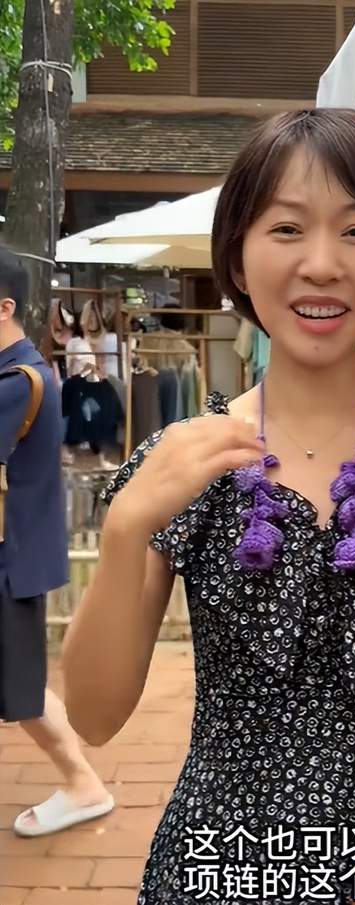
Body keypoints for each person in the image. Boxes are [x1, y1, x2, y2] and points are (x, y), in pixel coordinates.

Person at [62, 109, 355, 905]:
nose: (321, 264)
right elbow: (94, 715)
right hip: (216, 865)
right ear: (238, 260)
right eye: (286, 228)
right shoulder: (187, 459)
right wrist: (124, 529)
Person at [0, 247, 113, 836]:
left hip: (9, 559)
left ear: (4, 308)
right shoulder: (25, 372)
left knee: (21, 684)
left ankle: (83, 783)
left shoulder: (16, 382)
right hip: (16, 551)